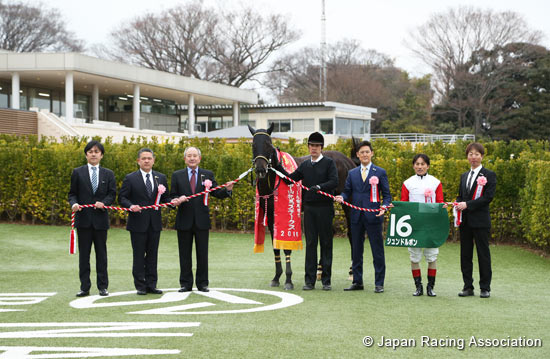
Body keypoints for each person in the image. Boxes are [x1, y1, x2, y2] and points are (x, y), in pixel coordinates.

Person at [276, 132, 338, 291]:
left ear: (321, 148)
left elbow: (334, 182)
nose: (314, 148)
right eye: (311, 146)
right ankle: (309, 281)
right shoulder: (305, 165)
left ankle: (326, 280)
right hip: (309, 209)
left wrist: (319, 187)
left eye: (317, 146)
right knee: (310, 244)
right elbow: (289, 180)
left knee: (326, 243)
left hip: (325, 208)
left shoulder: (329, 163)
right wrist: (277, 167)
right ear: (309, 147)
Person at [170, 146, 234, 293]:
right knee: (184, 254)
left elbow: (217, 192)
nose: (192, 158)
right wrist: (176, 200)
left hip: (202, 220)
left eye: (195, 156)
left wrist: (228, 190)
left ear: (199, 158)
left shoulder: (208, 174)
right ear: (184, 158)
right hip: (184, 221)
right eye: (189, 156)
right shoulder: (177, 175)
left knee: (202, 254)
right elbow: (171, 195)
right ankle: (185, 284)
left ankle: (202, 283)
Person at [335, 140, 391, 293]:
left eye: (367, 152)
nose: (365, 154)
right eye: (362, 152)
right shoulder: (352, 173)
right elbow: (347, 191)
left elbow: (386, 196)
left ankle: (379, 283)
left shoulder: (380, 172)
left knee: (377, 251)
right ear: (358, 155)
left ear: (372, 153)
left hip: (373, 216)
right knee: (356, 251)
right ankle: (357, 281)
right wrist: (342, 197)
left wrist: (384, 207)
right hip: (356, 217)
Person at [118, 148, 170, 295]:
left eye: (149, 158)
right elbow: (122, 198)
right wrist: (130, 206)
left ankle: (152, 285)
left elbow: (166, 198)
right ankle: (140, 285)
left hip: (155, 224)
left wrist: (173, 201)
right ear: (138, 161)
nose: (146, 161)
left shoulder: (161, 177)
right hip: (137, 223)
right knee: (139, 255)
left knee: (153, 255)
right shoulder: (130, 178)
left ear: (153, 160)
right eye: (143, 158)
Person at [68, 140, 116, 297]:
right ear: (86, 154)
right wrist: (74, 204)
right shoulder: (78, 172)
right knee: (84, 256)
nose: (93, 154)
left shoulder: (108, 174)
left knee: (101, 255)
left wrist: (104, 203)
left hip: (101, 221)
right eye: (90, 151)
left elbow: (112, 194)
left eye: (96, 151)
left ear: (101, 155)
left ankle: (103, 286)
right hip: (84, 221)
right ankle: (84, 287)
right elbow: (72, 193)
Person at [455, 143, 496, 299]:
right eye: (470, 154)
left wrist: (467, 205)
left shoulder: (489, 175)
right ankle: (468, 286)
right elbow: (461, 196)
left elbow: (488, 198)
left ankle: (485, 288)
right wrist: (457, 204)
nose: (473, 157)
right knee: (465, 255)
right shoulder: (464, 176)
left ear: (482, 156)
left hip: (480, 222)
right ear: (467, 157)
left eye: (476, 154)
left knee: (483, 255)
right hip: (465, 222)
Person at [400, 154, 445, 297]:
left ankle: (430, 287)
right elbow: (404, 204)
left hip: (431, 226)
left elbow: (440, 202)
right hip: (414, 226)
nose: (420, 167)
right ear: (413, 166)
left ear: (428, 166)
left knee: (432, 256)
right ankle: (418, 287)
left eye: (423, 164)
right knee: (414, 256)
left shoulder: (435, 182)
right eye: (417, 164)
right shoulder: (407, 183)